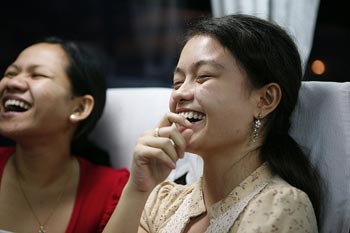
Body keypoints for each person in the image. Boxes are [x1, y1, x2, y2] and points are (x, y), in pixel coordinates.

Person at [103, 14, 323, 233]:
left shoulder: (280, 205)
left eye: (203, 76)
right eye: (177, 82)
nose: (180, 93)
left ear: (265, 100)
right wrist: (137, 189)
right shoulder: (164, 201)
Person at [0, 37, 129, 233]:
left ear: (79, 107)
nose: (14, 82)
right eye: (10, 73)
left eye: (37, 75)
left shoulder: (115, 192)